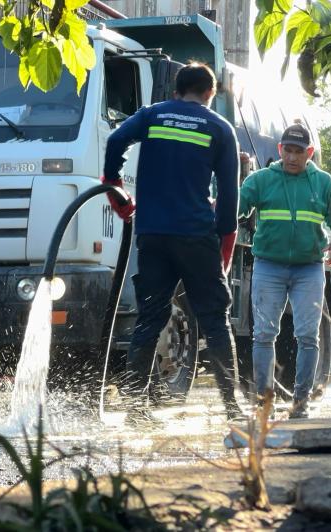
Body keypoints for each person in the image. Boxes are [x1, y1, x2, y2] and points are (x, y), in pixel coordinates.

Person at [101, 62, 242, 424]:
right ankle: (232, 408)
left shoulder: (153, 115)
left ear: (175, 92)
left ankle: (135, 409)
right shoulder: (219, 128)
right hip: (196, 236)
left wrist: (114, 187)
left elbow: (116, 140)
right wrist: (225, 247)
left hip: (152, 234)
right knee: (214, 319)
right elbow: (229, 196)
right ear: (210, 94)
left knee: (149, 317)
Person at [238, 122, 331, 419]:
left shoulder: (323, 183)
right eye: (288, 150)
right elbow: (237, 206)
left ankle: (301, 403)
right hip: (268, 266)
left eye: (299, 152)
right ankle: (264, 402)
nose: (292, 157)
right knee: (263, 335)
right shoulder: (261, 181)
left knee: (308, 336)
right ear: (280, 150)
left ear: (309, 153)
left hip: (309, 268)